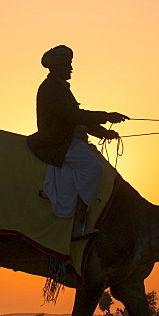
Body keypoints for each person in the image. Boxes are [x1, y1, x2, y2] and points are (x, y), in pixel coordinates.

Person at [26, 45, 129, 240]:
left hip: (68, 140)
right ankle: (79, 223)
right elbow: (72, 115)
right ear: (57, 67)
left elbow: (75, 118)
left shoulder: (59, 87)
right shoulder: (51, 88)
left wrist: (103, 133)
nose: (71, 69)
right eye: (67, 65)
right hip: (59, 143)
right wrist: (106, 116)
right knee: (93, 169)